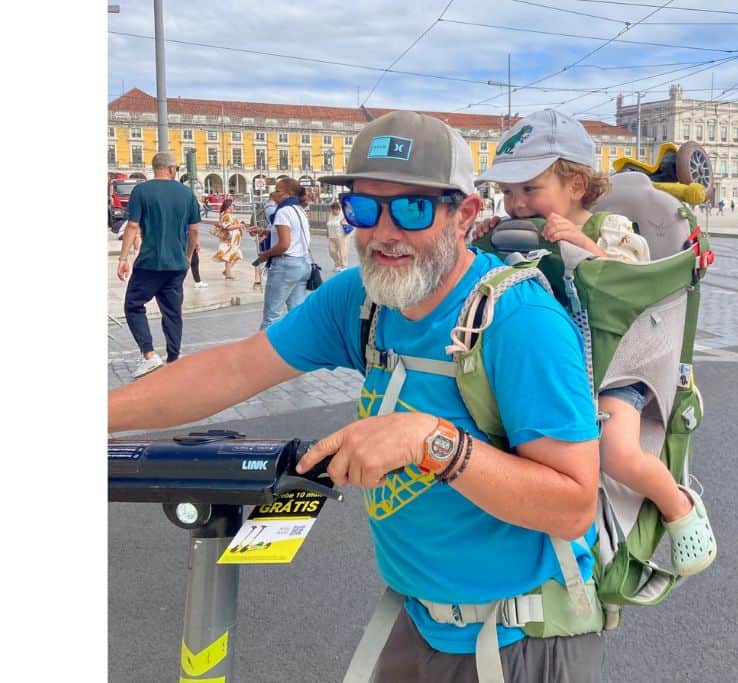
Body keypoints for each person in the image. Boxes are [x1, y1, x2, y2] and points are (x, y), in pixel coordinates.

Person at [109, 110, 603, 682]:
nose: (384, 232)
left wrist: (432, 441)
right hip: (416, 619)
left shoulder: (520, 322)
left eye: (413, 209)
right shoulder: (363, 301)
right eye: (364, 208)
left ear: (465, 214)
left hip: (520, 639)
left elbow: (573, 506)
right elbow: (232, 367)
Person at [477, 108, 716, 579]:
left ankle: (680, 507)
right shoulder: (518, 232)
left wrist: (584, 249)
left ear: (576, 185)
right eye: (507, 192)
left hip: (619, 365)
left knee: (616, 451)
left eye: (529, 189)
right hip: (559, 366)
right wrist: (487, 238)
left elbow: (628, 278)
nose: (516, 203)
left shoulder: (609, 228)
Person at [117, 152, 201, 379]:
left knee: (133, 305)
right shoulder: (187, 193)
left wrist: (123, 258)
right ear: (172, 169)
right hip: (176, 264)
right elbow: (194, 230)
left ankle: (149, 354)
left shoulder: (141, 191)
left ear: (154, 168)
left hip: (150, 263)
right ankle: (174, 359)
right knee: (173, 312)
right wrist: (188, 256)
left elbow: (132, 226)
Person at [254, 177, 312, 330]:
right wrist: (264, 230)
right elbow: (293, 234)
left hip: (285, 265)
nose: (274, 194)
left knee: (271, 316)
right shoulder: (299, 210)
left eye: (278, 191)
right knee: (296, 314)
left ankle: (265, 351)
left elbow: (284, 245)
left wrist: (265, 254)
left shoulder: (283, 212)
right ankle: (298, 349)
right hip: (302, 264)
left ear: (287, 194)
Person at [212, 197, 244, 280]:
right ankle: (228, 275)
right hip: (229, 240)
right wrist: (239, 225)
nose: (233, 206)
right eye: (233, 205)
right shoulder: (226, 215)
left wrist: (239, 227)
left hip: (233, 241)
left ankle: (227, 271)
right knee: (230, 256)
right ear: (229, 206)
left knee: (236, 255)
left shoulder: (229, 215)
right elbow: (228, 227)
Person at [325, 200, 351, 271]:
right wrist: (327, 232)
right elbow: (328, 224)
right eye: (332, 210)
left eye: (334, 210)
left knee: (342, 252)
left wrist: (345, 224)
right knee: (332, 251)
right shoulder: (331, 215)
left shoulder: (343, 215)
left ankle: (344, 266)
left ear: (338, 209)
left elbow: (349, 223)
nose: (333, 212)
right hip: (332, 236)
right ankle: (337, 264)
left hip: (341, 236)